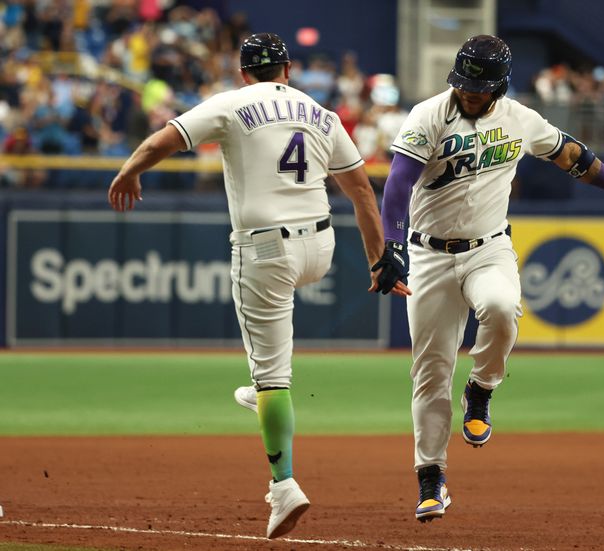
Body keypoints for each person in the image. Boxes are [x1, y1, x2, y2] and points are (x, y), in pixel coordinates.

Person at [107, 32, 409, 540]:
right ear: (288, 69)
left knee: (274, 378)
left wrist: (128, 171)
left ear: (244, 72)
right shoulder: (322, 112)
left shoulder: (231, 103)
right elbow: (361, 191)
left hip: (266, 248)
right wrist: (381, 261)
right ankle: (263, 393)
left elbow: (161, 140)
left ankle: (284, 482)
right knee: (268, 369)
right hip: (321, 248)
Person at [369, 35, 604, 523]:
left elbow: (572, 155)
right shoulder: (427, 115)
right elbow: (399, 182)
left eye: (478, 86)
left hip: (489, 248)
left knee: (503, 309)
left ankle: (482, 389)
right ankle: (431, 479)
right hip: (427, 257)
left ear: (499, 86)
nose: (468, 92)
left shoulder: (519, 119)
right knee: (431, 373)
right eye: (463, 83)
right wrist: (393, 246)